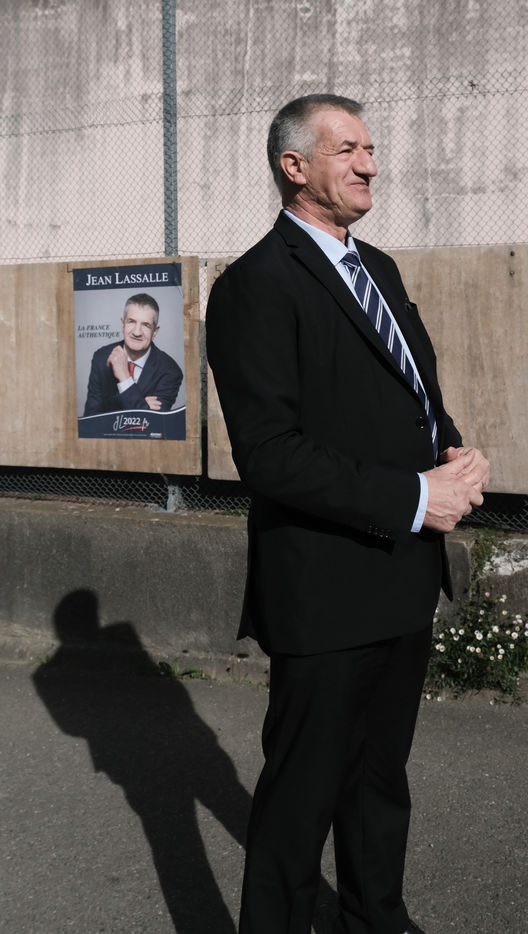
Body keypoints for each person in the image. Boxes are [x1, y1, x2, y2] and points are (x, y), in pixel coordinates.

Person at [206, 94, 490, 934]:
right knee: (300, 803)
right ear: (294, 166)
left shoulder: (380, 270)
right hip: (325, 590)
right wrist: (414, 497)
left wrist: (452, 453)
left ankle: (378, 919)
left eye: (370, 148)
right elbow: (270, 453)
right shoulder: (255, 285)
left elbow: (411, 397)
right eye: (348, 150)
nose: (370, 164)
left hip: (401, 575)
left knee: (378, 784)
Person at [83, 292, 183, 416]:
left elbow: (153, 421)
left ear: (155, 332)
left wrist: (124, 377)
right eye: (131, 322)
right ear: (123, 324)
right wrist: (142, 405)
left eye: (146, 325)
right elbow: (91, 417)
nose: (137, 332)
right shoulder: (101, 357)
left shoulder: (170, 371)